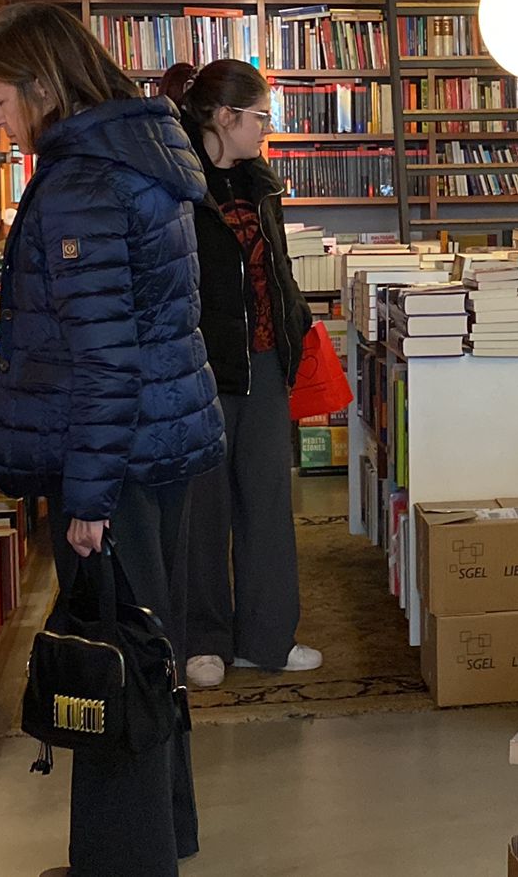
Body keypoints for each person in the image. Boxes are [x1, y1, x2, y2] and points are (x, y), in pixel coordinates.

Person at [0, 3, 224, 877]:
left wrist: (85, 497)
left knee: (111, 663)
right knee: (146, 657)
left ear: (45, 88)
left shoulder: (83, 179)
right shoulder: (136, 156)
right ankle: (161, 839)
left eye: (2, 101)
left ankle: (123, 863)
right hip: (156, 447)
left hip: (115, 463)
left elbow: (102, 356)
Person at [166, 59, 320, 687]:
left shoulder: (262, 184)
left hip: (263, 362)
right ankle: (205, 640)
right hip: (201, 366)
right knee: (202, 509)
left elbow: (275, 271)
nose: (266, 129)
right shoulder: (175, 185)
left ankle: (267, 637)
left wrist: (293, 329)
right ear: (224, 117)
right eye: (259, 117)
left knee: (267, 502)